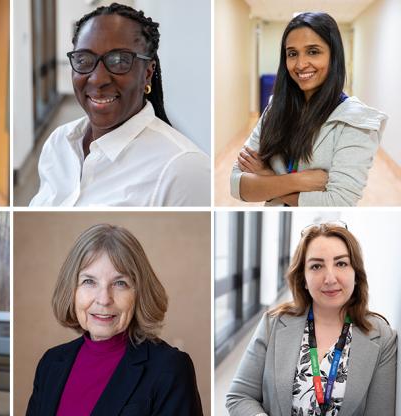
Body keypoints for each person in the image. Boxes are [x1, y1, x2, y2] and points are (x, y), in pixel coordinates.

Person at [30, 3, 209, 207]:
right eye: (84, 59)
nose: (97, 79)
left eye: (120, 61)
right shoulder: (59, 143)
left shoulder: (183, 169)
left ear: (148, 73)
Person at [27, 224, 202, 415]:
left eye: (120, 283)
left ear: (139, 293)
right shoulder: (50, 363)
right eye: (89, 281)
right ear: (72, 290)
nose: (104, 299)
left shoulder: (171, 368)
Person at [226, 222, 397, 415]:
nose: (330, 278)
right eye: (316, 266)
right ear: (303, 279)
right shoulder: (272, 324)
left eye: (341, 263)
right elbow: (239, 396)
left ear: (356, 274)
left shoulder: (382, 338)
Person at [230, 12, 387, 206]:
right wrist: (297, 181)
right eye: (292, 53)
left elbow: (338, 202)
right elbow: (237, 184)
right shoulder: (275, 109)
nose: (301, 64)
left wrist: (266, 179)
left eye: (313, 51)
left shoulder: (357, 122)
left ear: (334, 56)